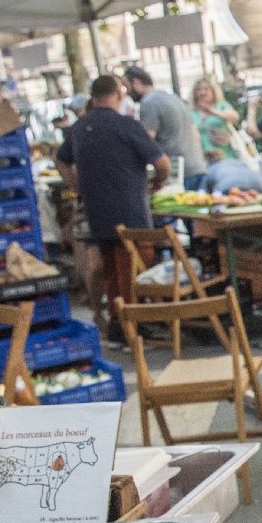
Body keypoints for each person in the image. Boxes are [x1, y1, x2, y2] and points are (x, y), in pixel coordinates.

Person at [55, 74, 171, 342]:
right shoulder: (127, 125)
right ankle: (134, 324)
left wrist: (77, 186)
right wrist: (157, 182)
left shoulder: (79, 127)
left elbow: (61, 161)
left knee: (111, 270)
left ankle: (118, 323)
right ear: (119, 95)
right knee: (135, 269)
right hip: (130, 210)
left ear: (93, 97)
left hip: (98, 211)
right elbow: (162, 163)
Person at [124, 66, 207, 191]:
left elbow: (147, 141)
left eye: (126, 87)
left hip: (178, 173)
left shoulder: (149, 103)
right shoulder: (173, 97)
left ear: (135, 82)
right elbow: (196, 135)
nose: (126, 93)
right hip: (197, 167)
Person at [190, 77, 242, 163]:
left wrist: (212, 111)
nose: (202, 93)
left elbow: (235, 117)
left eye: (206, 89)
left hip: (225, 156)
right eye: (199, 90)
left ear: (213, 91)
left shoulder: (222, 106)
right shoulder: (191, 113)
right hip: (203, 158)